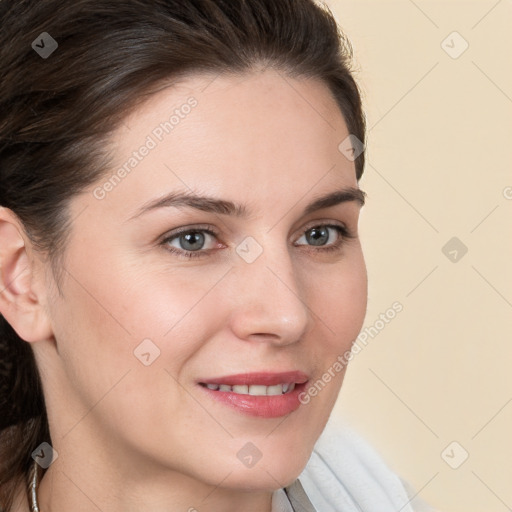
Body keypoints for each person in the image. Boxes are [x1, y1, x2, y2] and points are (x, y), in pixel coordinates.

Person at [0, 0, 438, 510]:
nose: (287, 315)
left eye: (319, 234)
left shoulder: (369, 492)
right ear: (21, 277)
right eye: (193, 239)